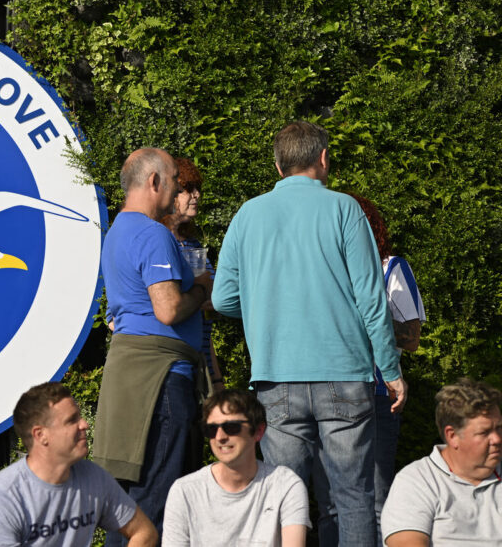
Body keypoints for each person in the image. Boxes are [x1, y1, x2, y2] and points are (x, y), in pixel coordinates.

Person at [211, 120, 405, 547]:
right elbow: (371, 299)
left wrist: (265, 302)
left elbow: (224, 300)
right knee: (354, 496)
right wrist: (390, 370)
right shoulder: (344, 209)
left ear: (278, 166)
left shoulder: (248, 214)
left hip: (275, 374)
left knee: (284, 499)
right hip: (345, 374)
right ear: (323, 159)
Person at [91, 147, 214, 543]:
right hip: (159, 381)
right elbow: (168, 308)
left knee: (125, 508)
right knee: (155, 510)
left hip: (131, 379)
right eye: (176, 180)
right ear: (155, 182)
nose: (180, 188)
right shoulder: (152, 232)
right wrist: (200, 288)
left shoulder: (116, 233)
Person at [314, 193, 427, 544]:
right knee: (329, 502)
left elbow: (411, 336)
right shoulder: (323, 270)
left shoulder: (390, 266)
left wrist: (363, 317)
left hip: (378, 394)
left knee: (376, 500)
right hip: (327, 392)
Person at [0, 382, 157, 547]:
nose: (84, 425)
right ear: (40, 435)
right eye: (72, 420)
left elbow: (144, 532)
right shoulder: (2, 497)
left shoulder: (94, 477)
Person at [162, 388, 309, 547]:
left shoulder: (285, 485)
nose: (220, 437)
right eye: (211, 429)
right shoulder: (184, 491)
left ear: (258, 431)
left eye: (231, 427)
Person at [380, 378, 502, 546]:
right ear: (453, 436)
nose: (496, 439)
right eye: (484, 432)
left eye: (499, 428)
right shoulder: (417, 481)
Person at [157, 157, 226, 391]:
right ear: (171, 194)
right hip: (171, 369)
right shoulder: (158, 244)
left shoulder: (195, 245)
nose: (196, 195)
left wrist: (216, 379)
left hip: (200, 367)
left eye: (198, 189)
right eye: (188, 189)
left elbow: (206, 327)